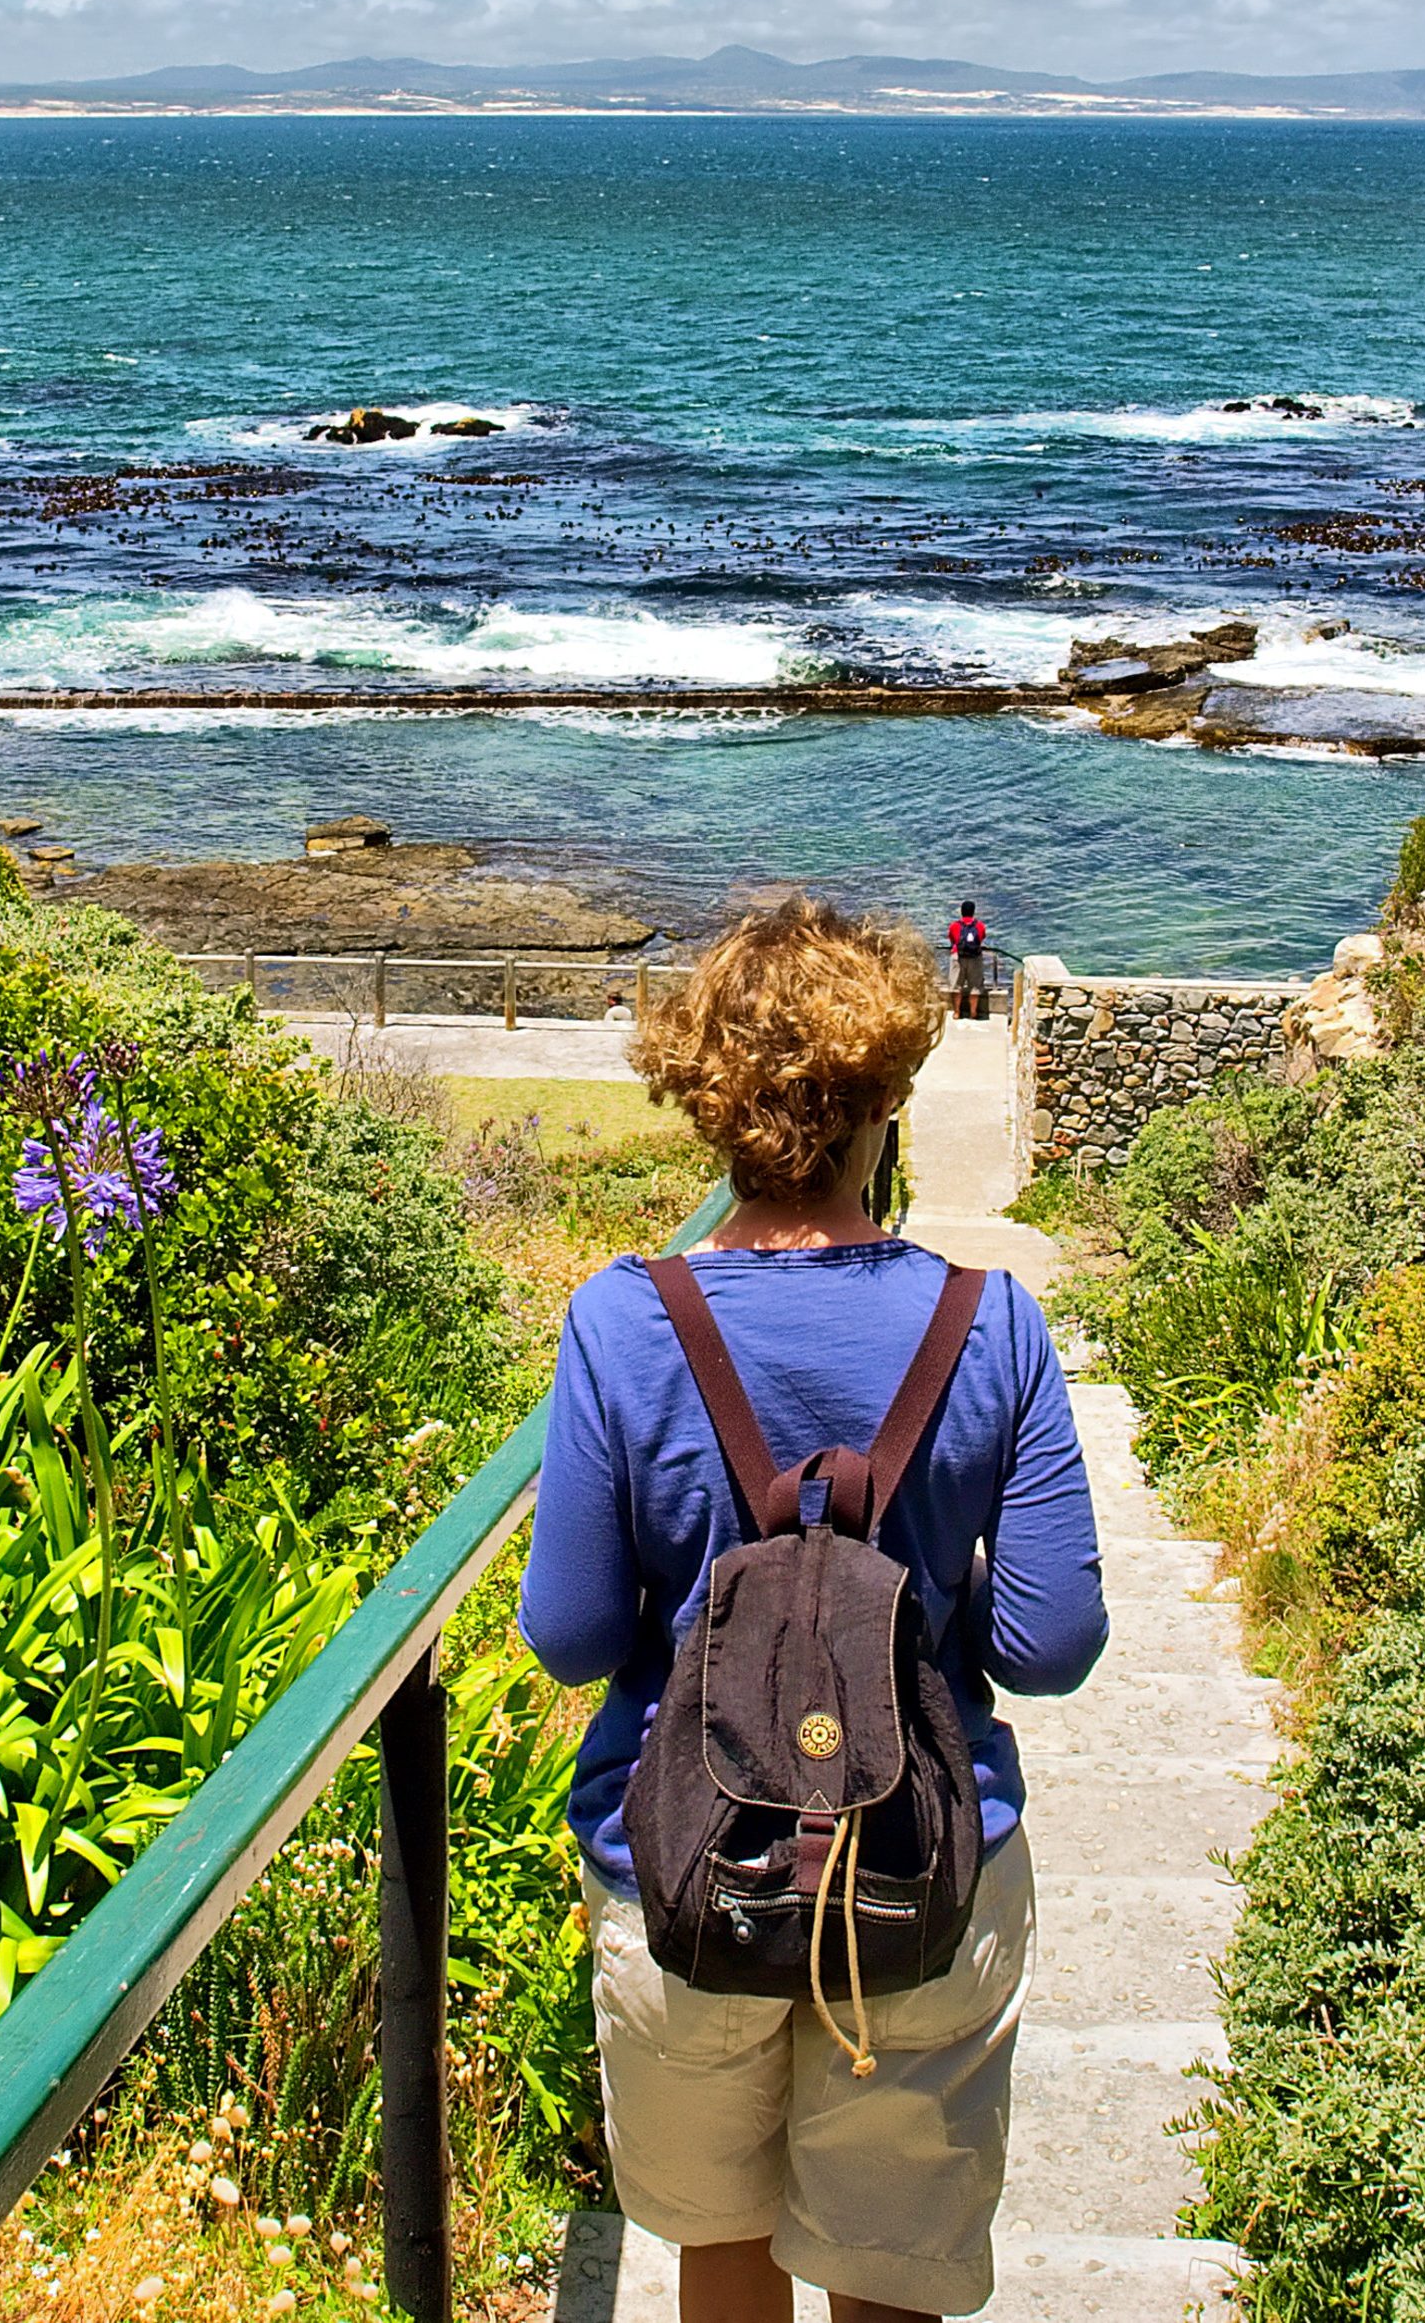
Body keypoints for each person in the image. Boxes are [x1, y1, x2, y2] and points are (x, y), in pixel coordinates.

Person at [522, 896, 1105, 2323]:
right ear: (885, 1098)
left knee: (720, 2250)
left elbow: (573, 1632)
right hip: (923, 1853)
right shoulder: (993, 1317)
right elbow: (1050, 1644)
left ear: (705, 1103)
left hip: (681, 1860)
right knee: (885, 2274)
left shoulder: (622, 1316)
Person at [945, 900, 991, 1021]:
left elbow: (952, 940)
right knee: (975, 987)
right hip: (975, 958)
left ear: (961, 912)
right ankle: (973, 1013)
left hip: (958, 957)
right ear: (973, 912)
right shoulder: (980, 925)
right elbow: (981, 938)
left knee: (956, 985)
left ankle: (956, 1012)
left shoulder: (954, 926)